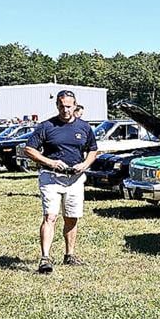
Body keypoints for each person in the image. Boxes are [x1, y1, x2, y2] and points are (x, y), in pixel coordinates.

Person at [23, 90, 98, 274]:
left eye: (69, 106)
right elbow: (29, 149)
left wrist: (85, 164)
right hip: (51, 178)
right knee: (50, 216)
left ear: (75, 105)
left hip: (75, 179)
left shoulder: (84, 127)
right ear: (57, 105)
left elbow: (93, 149)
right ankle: (45, 258)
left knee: (72, 217)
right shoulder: (46, 126)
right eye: (62, 106)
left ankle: (69, 255)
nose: (65, 110)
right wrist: (50, 162)